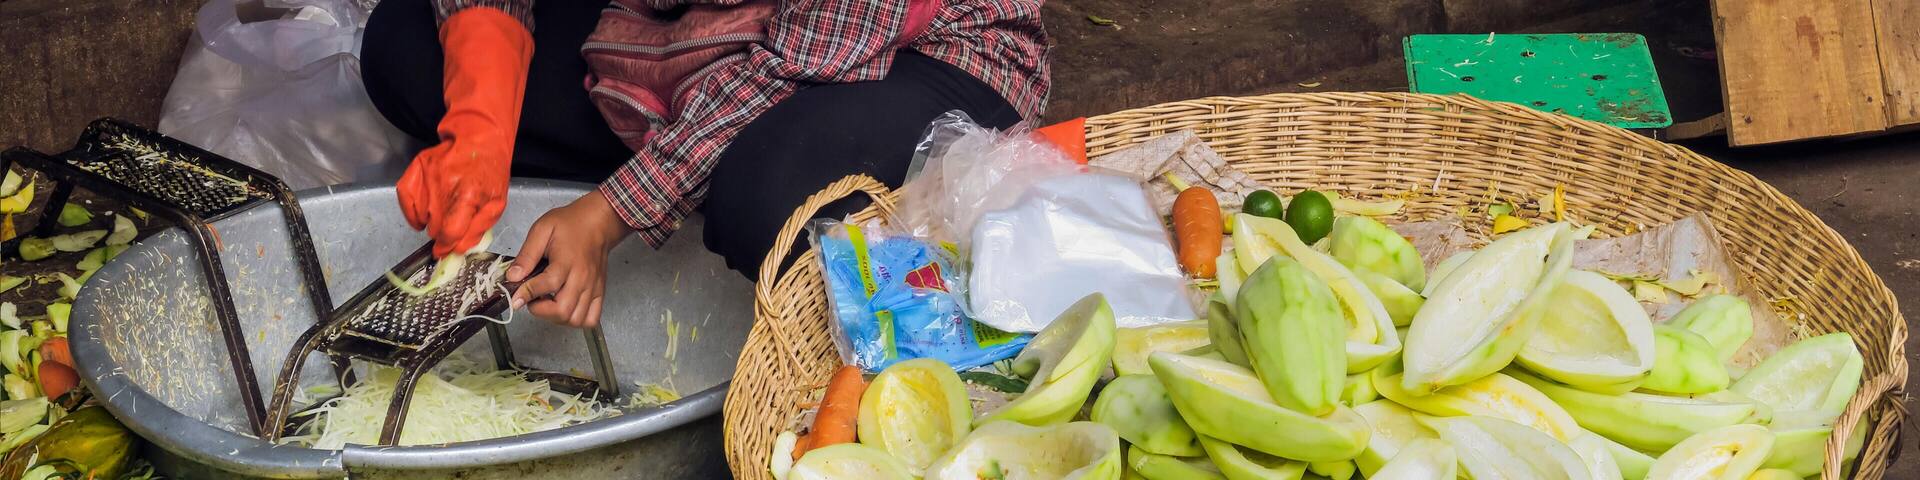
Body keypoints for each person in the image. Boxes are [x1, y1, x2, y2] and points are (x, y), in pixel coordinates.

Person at [360, 0, 1050, 328]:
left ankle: (702, 186)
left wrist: (608, 215)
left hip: (907, 49)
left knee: (764, 194)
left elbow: (799, 61)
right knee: (407, 48)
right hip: (692, 31)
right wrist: (481, 111)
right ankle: (690, 168)